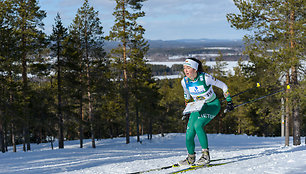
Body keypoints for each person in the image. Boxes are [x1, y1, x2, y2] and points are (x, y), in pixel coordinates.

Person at [179, 58, 234, 166]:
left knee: (198, 125)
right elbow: (186, 95)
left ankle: (205, 155)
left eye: (188, 68)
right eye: (184, 68)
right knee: (189, 134)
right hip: (198, 107)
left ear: (195, 69)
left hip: (212, 105)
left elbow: (223, 86)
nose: (186, 70)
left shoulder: (205, 77)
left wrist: (229, 101)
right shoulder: (184, 81)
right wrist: (187, 109)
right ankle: (191, 157)